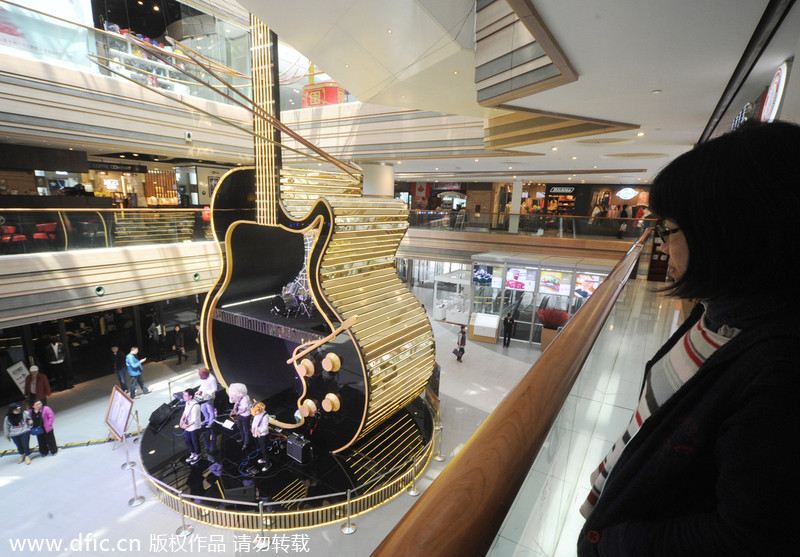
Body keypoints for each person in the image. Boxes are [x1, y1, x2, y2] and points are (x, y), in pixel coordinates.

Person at [577, 121, 800, 556]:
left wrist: (611, 543)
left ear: (729, 233)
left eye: (670, 229)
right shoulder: (716, 312)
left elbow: (747, 536)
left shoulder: (779, 369)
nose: (661, 246)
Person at [179, 388, 201, 465]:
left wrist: (186, 425)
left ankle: (198, 454)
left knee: (195, 441)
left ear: (190, 396)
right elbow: (185, 411)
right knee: (187, 441)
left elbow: (195, 419)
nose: (183, 396)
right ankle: (193, 453)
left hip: (194, 426)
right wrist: (182, 420)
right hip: (188, 425)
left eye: (185, 395)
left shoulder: (195, 406)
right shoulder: (187, 403)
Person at [228, 383, 251, 448]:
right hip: (240, 415)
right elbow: (235, 404)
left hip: (246, 416)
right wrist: (233, 411)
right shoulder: (238, 398)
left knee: (245, 429)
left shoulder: (245, 399)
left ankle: (246, 443)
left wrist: (237, 413)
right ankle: (242, 438)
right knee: (239, 426)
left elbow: (244, 410)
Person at [250, 401, 271, 472]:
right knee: (261, 448)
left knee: (264, 449)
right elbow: (255, 420)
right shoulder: (257, 414)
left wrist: (259, 431)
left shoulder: (265, 416)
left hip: (263, 435)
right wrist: (253, 428)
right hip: (257, 433)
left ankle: (267, 464)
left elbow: (265, 427)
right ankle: (264, 459)